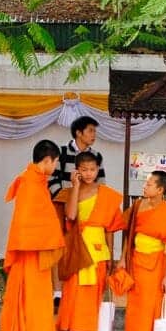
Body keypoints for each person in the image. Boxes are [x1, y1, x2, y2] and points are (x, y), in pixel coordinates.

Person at [0, 139, 66, 331]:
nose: (56, 166)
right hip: (28, 252)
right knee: (28, 300)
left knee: (40, 300)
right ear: (47, 160)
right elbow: (26, 222)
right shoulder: (29, 182)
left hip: (37, 250)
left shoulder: (38, 180)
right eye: (56, 161)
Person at [55, 152, 125, 331]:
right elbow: (70, 216)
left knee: (94, 298)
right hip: (77, 250)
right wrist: (75, 187)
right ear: (76, 170)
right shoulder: (68, 192)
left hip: (99, 252)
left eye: (92, 169)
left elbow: (110, 229)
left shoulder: (107, 195)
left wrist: (112, 255)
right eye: (84, 170)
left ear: (98, 170)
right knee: (74, 296)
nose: (88, 174)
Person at [117, 170, 166, 331]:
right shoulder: (137, 206)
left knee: (158, 309)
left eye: (149, 184)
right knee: (140, 309)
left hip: (157, 265)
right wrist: (122, 259)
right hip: (137, 264)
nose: (144, 186)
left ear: (160, 190)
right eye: (145, 183)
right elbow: (128, 233)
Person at [49, 116, 105, 310]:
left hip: (87, 206)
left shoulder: (97, 155)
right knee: (60, 245)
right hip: (61, 204)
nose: (94, 135)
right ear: (78, 133)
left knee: (81, 244)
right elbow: (53, 179)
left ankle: (75, 288)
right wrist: (64, 198)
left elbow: (101, 183)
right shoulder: (62, 153)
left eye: (94, 131)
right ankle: (57, 291)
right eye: (90, 131)